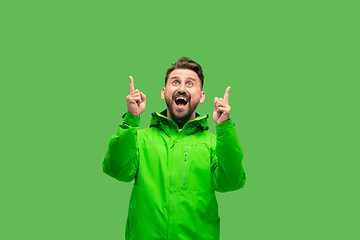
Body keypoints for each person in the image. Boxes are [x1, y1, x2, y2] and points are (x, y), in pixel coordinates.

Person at [102, 57, 246, 239]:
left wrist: (224, 127)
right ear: (163, 93)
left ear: (201, 96)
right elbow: (116, 169)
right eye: (175, 82)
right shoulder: (141, 139)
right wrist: (131, 119)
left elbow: (231, 182)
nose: (182, 88)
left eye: (190, 83)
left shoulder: (214, 144)